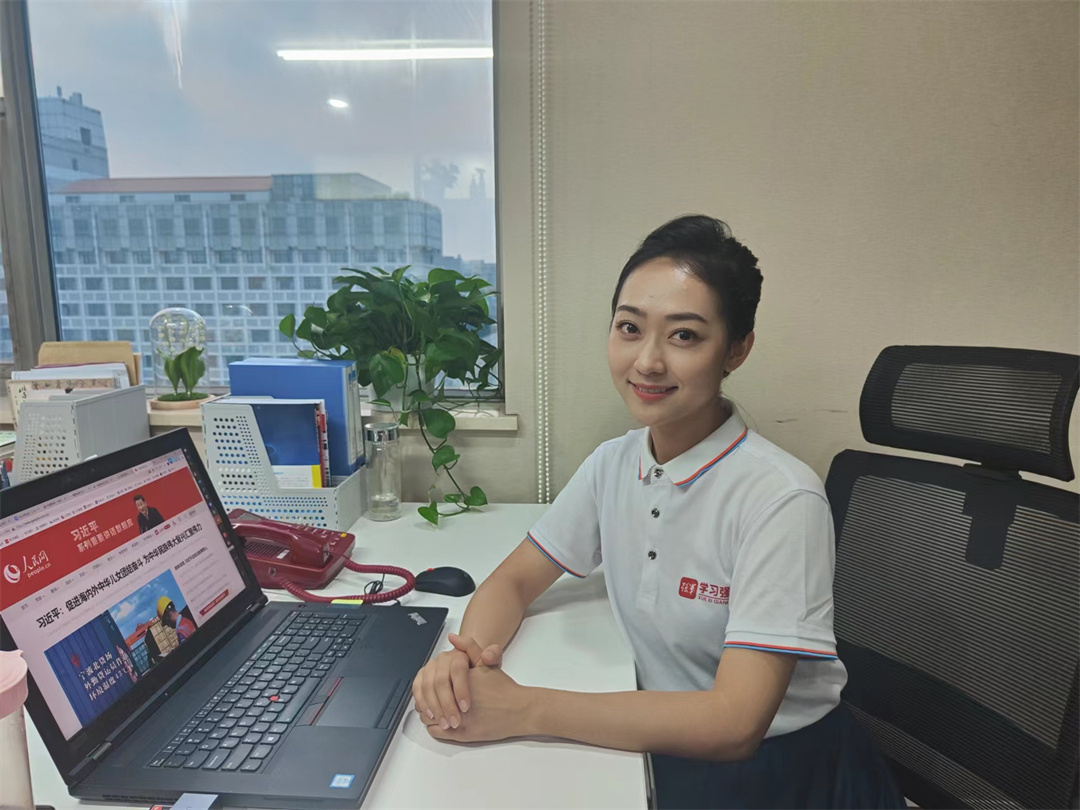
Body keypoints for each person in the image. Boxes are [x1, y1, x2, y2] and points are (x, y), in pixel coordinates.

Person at [411, 215, 905, 809]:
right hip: (655, 738)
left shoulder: (781, 499)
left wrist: (526, 708)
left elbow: (734, 723)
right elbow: (515, 580)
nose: (646, 361)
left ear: (737, 349)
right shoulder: (614, 463)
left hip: (775, 771)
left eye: (684, 336)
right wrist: (466, 663)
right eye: (629, 328)